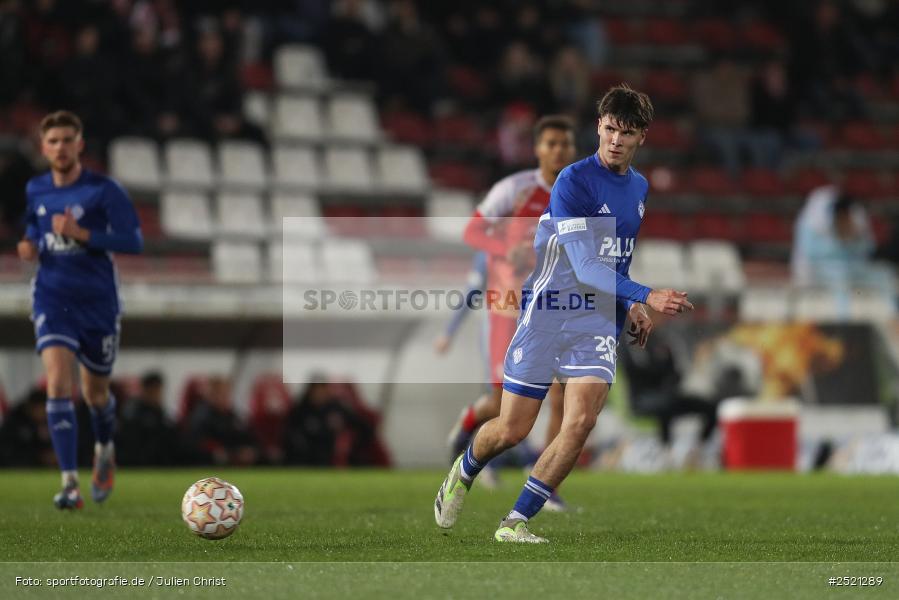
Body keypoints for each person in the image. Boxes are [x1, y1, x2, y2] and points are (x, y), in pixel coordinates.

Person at [434, 85, 694, 542]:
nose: (615, 139)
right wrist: (647, 294)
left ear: (641, 139)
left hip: (596, 321)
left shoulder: (639, 187)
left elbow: (615, 258)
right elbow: (586, 266)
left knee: (580, 422)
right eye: (610, 128)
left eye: (626, 133)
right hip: (548, 312)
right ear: (598, 126)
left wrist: (631, 303)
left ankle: (515, 522)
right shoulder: (572, 181)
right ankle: (466, 466)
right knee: (513, 429)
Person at [444, 115, 576, 509]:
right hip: (508, 311)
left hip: (552, 308)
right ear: (538, 149)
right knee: (505, 404)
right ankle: (470, 423)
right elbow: (472, 231)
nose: (559, 151)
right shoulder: (514, 190)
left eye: (565, 144)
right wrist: (506, 252)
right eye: (551, 143)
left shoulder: (580, 193)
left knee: (561, 395)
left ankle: (545, 485)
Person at [16, 111, 143, 509]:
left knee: (95, 393)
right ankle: (69, 483)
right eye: (53, 141)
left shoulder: (104, 191)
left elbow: (134, 241)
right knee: (57, 382)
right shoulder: (36, 188)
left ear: (80, 144)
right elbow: (34, 229)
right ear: (43, 147)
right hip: (53, 296)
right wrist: (28, 244)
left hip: (97, 302)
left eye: (67, 139)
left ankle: (104, 448)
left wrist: (82, 234)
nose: (60, 147)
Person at [118, 371, 182, 466]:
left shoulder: (159, 411)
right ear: (145, 390)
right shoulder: (134, 411)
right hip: (138, 461)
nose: (157, 395)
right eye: (154, 390)